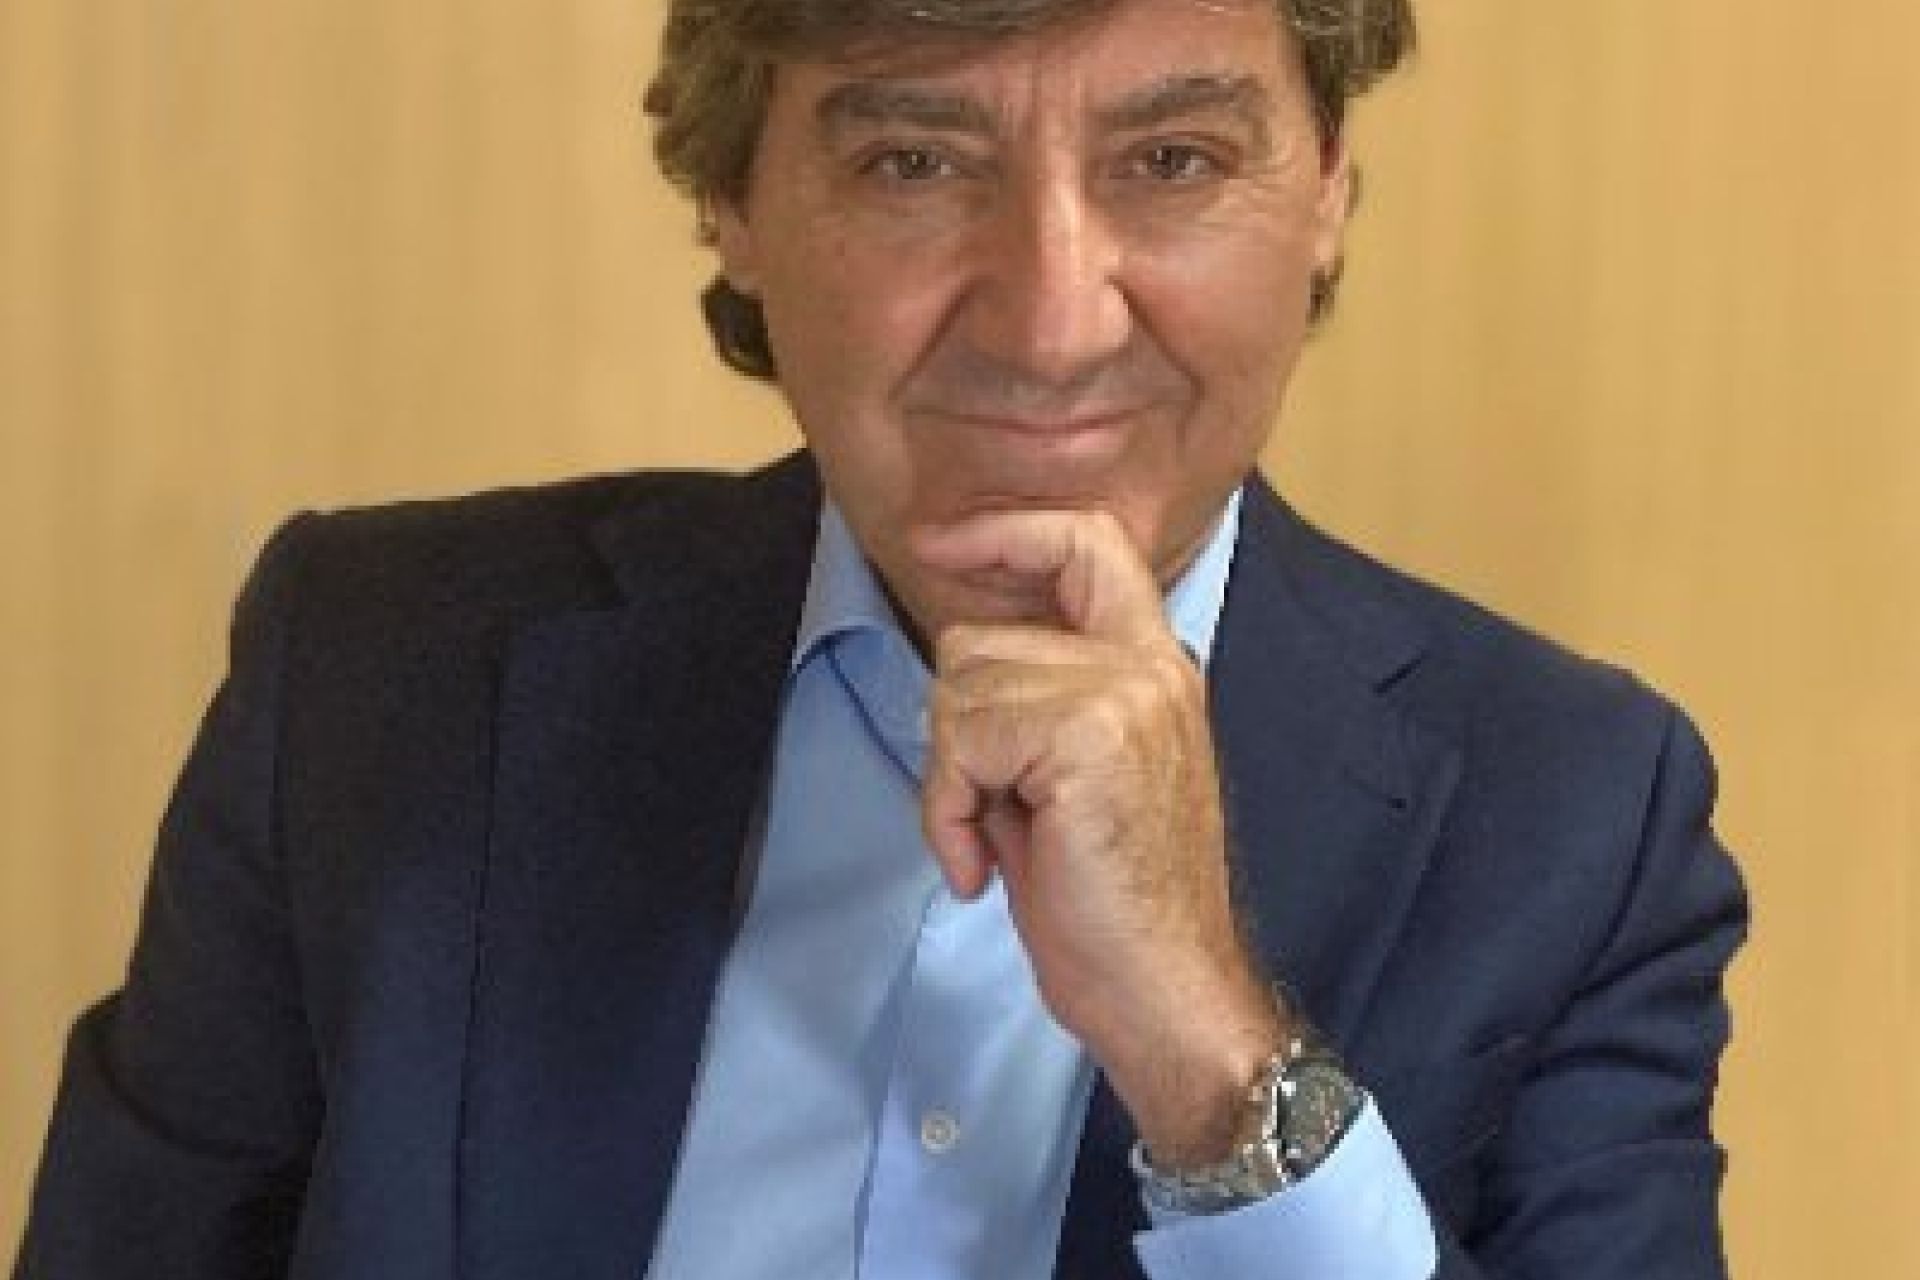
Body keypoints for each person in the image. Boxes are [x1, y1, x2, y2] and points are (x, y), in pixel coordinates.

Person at [14, 0, 1747, 1277]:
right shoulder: (374, 675)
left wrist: (1214, 1060)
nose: (1055, 323)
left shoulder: (1577, 820)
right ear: (733, 201)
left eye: (1173, 161)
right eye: (916, 162)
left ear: (1329, 195)